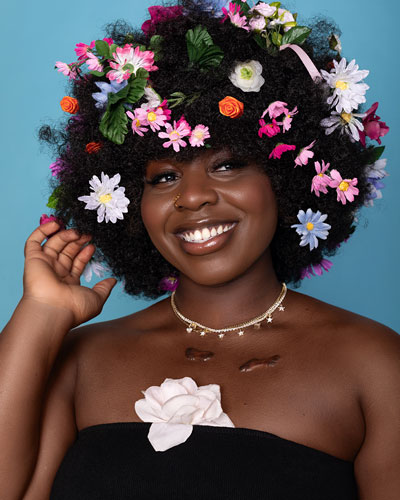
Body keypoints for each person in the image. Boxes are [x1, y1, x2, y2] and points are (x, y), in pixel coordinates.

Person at [0, 1, 399, 498]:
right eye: (164, 176)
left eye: (227, 164)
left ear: (286, 178)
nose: (191, 196)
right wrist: (39, 314)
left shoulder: (375, 364)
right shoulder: (83, 357)